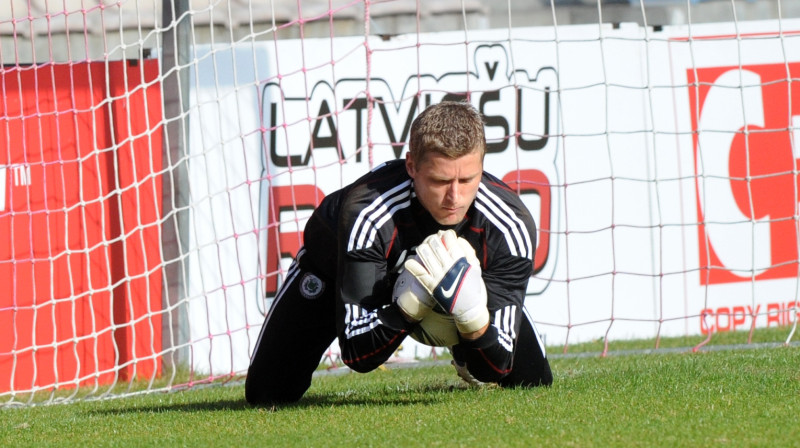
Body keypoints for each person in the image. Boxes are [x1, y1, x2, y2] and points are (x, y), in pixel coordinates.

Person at [245, 101, 552, 405]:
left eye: (467, 179)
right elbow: (356, 353)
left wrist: (473, 321)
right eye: (440, 181)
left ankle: (461, 345)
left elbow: (497, 364)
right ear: (411, 167)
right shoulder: (368, 212)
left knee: (532, 380)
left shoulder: (509, 225)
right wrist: (408, 305)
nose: (454, 197)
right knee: (268, 393)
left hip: (460, 282)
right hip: (339, 271)